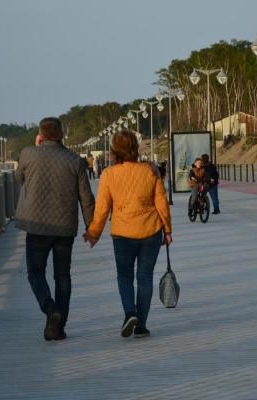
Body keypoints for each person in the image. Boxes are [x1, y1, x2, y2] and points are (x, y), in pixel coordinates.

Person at [84, 130, 172, 339]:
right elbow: (161, 202)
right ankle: (141, 325)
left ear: (114, 150)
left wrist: (93, 233)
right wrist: (167, 230)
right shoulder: (150, 170)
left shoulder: (109, 174)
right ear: (135, 147)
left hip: (123, 233)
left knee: (124, 275)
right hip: (151, 231)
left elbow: (102, 209)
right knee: (145, 277)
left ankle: (129, 313)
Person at [15, 117, 95, 341]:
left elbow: (18, 178)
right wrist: (92, 228)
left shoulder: (28, 153)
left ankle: (51, 311)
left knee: (35, 273)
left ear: (40, 134)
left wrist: (36, 146)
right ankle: (58, 328)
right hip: (64, 228)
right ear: (61, 134)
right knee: (62, 277)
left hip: (37, 226)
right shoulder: (74, 160)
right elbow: (86, 199)